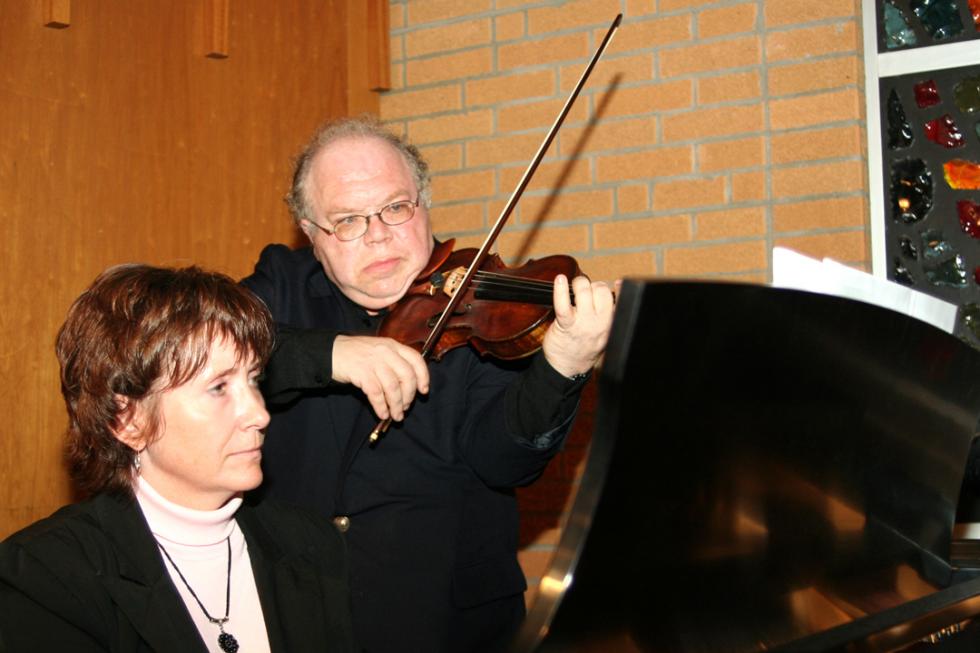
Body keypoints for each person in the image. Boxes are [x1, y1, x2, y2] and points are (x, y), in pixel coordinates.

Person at [242, 116, 615, 653]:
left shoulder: (482, 308)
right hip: (298, 621)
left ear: (424, 202)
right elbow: (200, 347)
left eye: (396, 208)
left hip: (446, 627)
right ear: (310, 233)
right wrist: (331, 353)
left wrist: (565, 362)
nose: (378, 234)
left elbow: (505, 461)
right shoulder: (281, 284)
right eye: (347, 220)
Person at [0, 264, 355, 652]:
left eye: (253, 380)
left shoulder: (311, 544)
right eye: (218, 387)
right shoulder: (45, 575)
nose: (259, 414)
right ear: (128, 421)